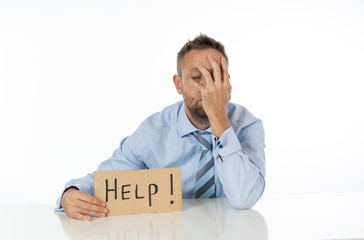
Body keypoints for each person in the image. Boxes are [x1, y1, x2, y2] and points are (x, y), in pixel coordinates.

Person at [56, 34, 266, 221]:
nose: (207, 87)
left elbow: (244, 197)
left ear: (227, 82)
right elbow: (104, 181)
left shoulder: (248, 127)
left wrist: (219, 118)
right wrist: (70, 194)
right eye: (197, 77)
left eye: (215, 76)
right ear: (178, 84)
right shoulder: (152, 133)